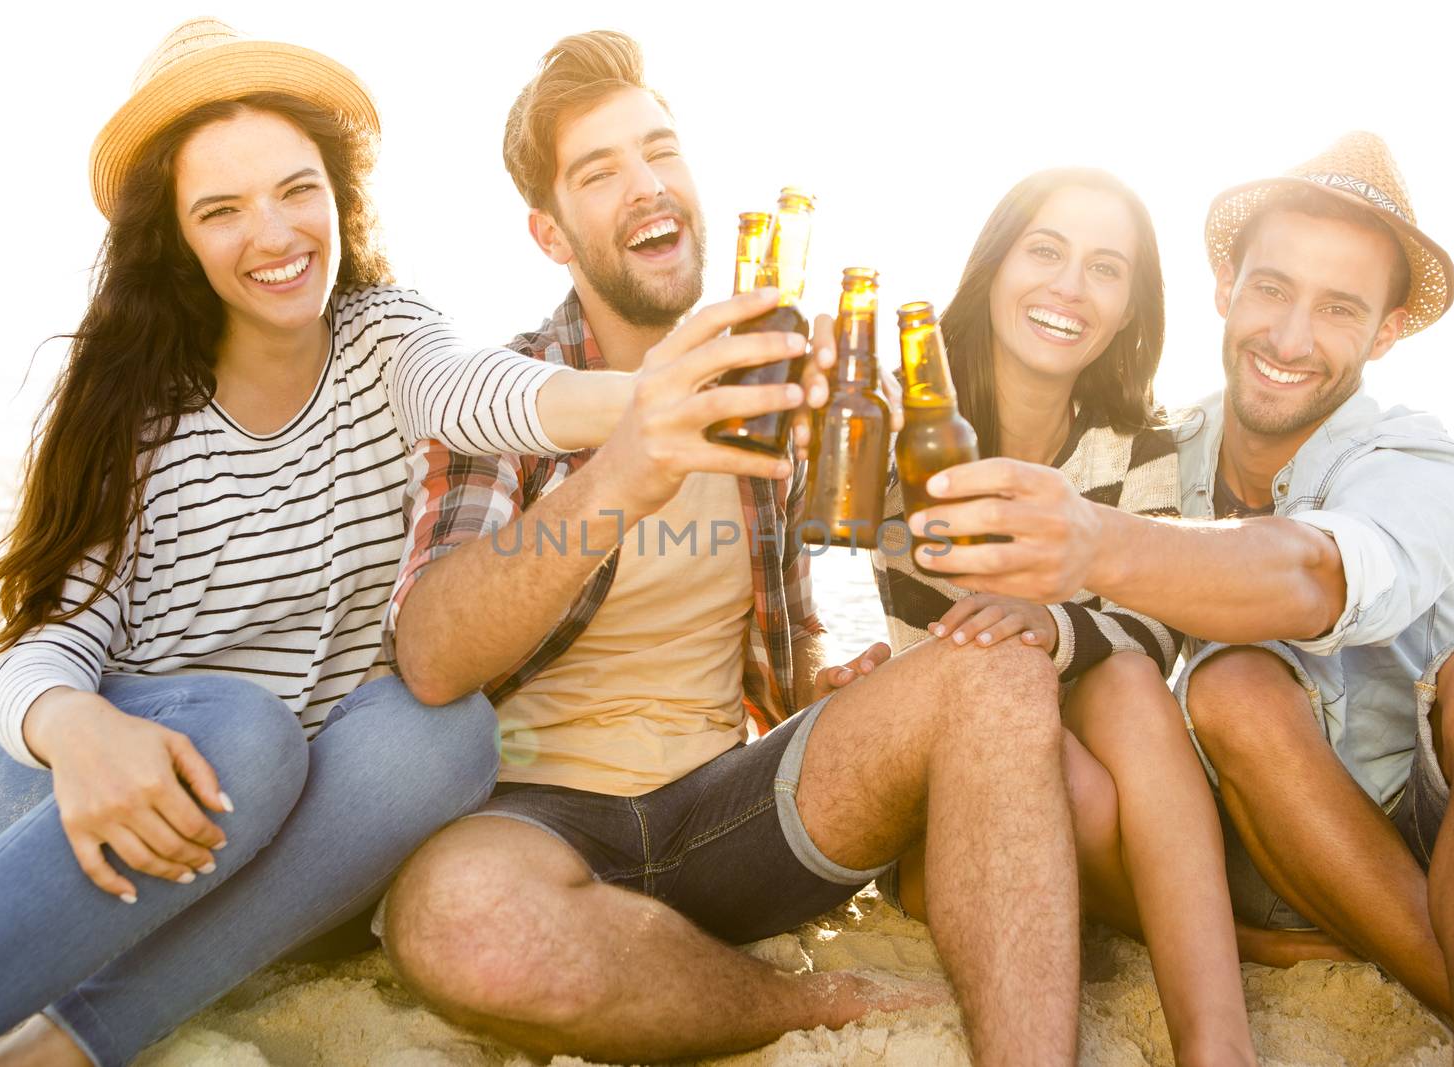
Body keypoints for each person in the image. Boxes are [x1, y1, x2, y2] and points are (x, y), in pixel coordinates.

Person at [0, 17, 676, 1067]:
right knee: (242, 729)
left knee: (445, 736)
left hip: (295, 840)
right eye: (221, 208)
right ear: (174, 235)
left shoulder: (386, 334)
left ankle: (68, 1040)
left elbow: (482, 390)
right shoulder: (125, 402)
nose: (272, 233)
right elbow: (47, 636)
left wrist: (651, 397)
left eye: (294, 188)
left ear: (338, 191)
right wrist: (80, 732)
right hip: (100, 792)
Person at [376, 30, 1080, 1066]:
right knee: (464, 924)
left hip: (728, 808)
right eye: (600, 170)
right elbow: (431, 652)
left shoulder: (774, 380)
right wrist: (626, 461)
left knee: (999, 676)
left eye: (661, 152)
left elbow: (812, 612)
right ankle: (806, 1003)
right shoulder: (509, 396)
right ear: (551, 233)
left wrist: (829, 691)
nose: (646, 184)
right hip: (535, 814)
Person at [914, 132, 1454, 1060]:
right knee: (1192, 690)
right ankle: (1440, 981)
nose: (1287, 337)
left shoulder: (1426, 461)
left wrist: (1100, 540)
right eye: (1271, 289)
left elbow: (1312, 574)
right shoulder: (1152, 445)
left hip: (1423, 840)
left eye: (1338, 307)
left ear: (1386, 330)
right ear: (1226, 286)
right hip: (1228, 841)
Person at [870, 167, 1257, 1065]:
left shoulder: (1142, 442)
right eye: (1045, 250)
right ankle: (1230, 941)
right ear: (996, 266)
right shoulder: (907, 412)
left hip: (1089, 735)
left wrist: (1050, 626)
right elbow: (801, 545)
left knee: (1123, 676)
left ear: (1130, 311)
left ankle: (1218, 1046)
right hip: (950, 772)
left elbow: (1158, 625)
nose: (1069, 288)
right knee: (1064, 760)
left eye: (1105, 269)